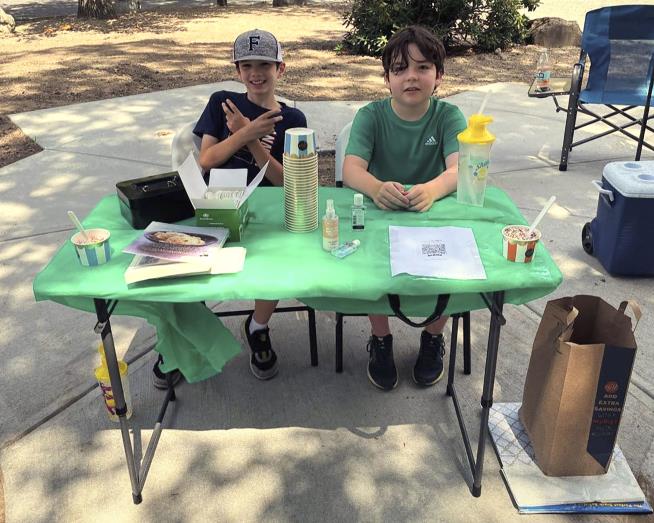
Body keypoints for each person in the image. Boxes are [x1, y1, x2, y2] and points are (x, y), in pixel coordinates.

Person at [153, 29, 307, 388]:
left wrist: (253, 140)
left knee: (278, 259)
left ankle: (258, 326)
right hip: (216, 203)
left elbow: (286, 182)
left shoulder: (293, 118)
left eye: (265, 65)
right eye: (248, 65)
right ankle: (186, 336)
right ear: (238, 70)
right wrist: (242, 132)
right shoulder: (222, 101)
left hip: (267, 207)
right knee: (184, 267)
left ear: (280, 69)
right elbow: (206, 160)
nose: (256, 73)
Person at [342, 25, 467, 391]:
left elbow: (460, 170)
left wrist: (431, 189)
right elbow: (351, 169)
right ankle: (381, 339)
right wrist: (377, 187)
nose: (411, 76)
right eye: (400, 69)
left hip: (434, 217)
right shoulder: (371, 115)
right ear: (386, 79)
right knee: (370, 270)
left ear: (439, 75)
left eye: (423, 67)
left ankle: (433, 337)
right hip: (382, 218)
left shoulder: (449, 116)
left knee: (458, 267)